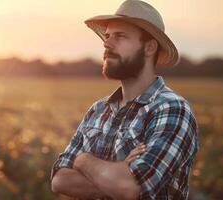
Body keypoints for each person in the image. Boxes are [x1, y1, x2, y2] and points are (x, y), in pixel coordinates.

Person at [50, 0, 199, 199]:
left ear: (149, 47)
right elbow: (60, 180)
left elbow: (131, 188)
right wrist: (118, 173)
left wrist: (84, 161)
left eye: (120, 36)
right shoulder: (98, 110)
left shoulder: (172, 109)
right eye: (108, 36)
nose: (106, 43)